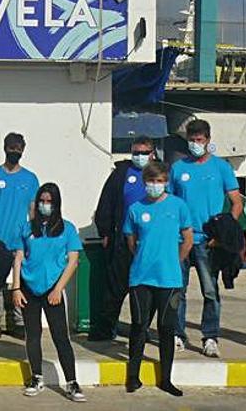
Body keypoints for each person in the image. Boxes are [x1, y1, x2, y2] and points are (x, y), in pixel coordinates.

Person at [170, 119, 242, 358]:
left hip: (208, 240)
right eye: (192, 140)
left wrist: (225, 232)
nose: (195, 144)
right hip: (182, 239)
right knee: (176, 290)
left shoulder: (221, 168)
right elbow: (169, 203)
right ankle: (177, 334)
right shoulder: (178, 168)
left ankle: (210, 336)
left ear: (208, 141)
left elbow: (236, 202)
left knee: (210, 291)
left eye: (200, 140)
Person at [123, 161, 192, 397]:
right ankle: (133, 376)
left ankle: (166, 378)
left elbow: (187, 240)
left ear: (166, 182)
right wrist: (144, 258)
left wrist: (175, 261)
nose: (155, 185)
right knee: (139, 326)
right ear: (145, 183)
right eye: (151, 181)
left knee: (166, 328)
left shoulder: (178, 206)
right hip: (141, 278)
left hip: (169, 278)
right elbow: (131, 241)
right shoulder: (135, 208)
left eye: (159, 181)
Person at [11, 183, 86, 402]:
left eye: (49, 201)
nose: (45, 205)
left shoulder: (67, 229)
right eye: (42, 201)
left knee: (60, 336)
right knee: (32, 335)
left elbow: (73, 261)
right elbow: (18, 257)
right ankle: (36, 377)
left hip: (53, 289)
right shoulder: (27, 228)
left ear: (57, 204)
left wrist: (58, 289)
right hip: (28, 289)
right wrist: (16, 288)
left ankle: (72, 382)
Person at [90, 135, 157, 341]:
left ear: (152, 154)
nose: (139, 156)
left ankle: (142, 329)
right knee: (115, 289)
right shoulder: (121, 174)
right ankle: (105, 329)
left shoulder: (161, 176)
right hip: (123, 241)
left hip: (151, 244)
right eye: (136, 152)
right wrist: (106, 232)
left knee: (148, 291)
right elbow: (106, 204)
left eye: (144, 153)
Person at [0, 132, 39, 341]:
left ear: (23, 150)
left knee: (20, 283)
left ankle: (19, 322)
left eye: (18, 148)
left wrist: (34, 236)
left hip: (21, 239)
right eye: (11, 147)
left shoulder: (30, 179)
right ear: (4, 148)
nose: (15, 151)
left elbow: (33, 208)